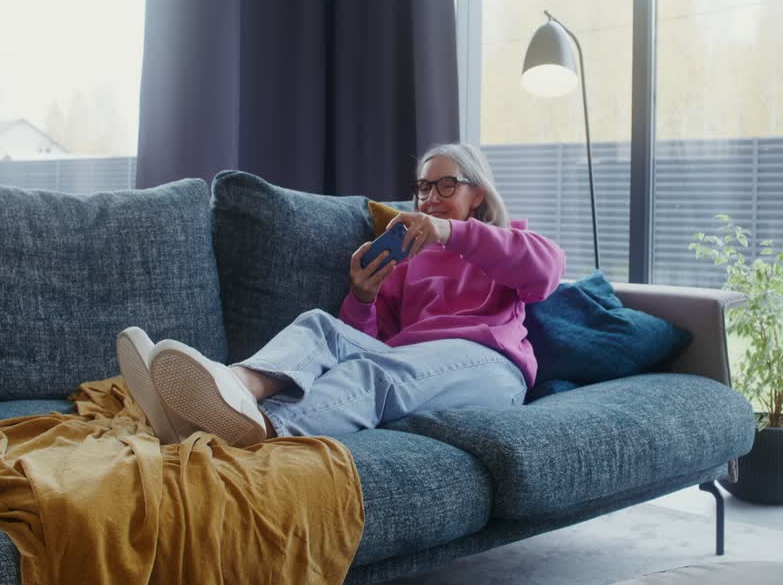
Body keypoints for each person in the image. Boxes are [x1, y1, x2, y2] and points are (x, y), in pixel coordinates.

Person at [117, 143, 566, 447]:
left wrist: (452, 231)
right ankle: (228, 390)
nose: (429, 198)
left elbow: (545, 272)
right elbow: (366, 342)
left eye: (445, 185)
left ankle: (262, 429)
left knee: (380, 373)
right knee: (320, 326)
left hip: (490, 370)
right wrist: (363, 297)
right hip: (413, 365)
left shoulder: (507, 244)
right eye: (424, 188)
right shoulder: (410, 263)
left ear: (478, 194)